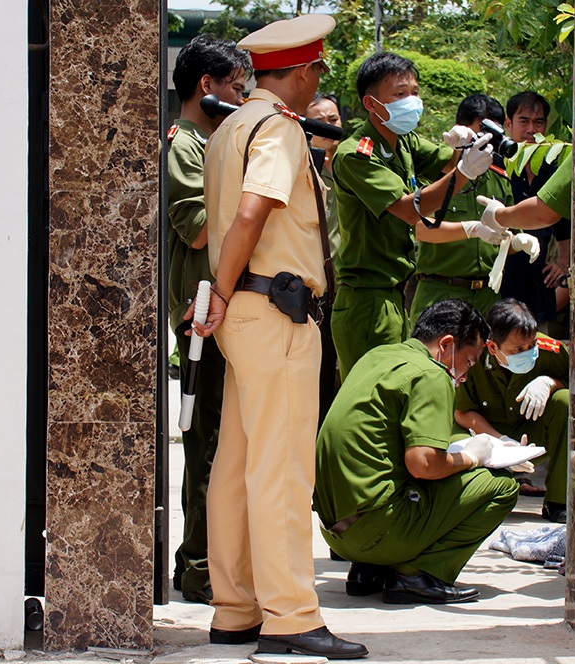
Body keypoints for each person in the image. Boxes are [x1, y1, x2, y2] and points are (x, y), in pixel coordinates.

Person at [192, 14, 366, 659]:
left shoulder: (229, 124)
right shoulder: (279, 130)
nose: (317, 79)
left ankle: (236, 608)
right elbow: (250, 212)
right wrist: (226, 290)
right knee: (282, 471)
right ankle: (291, 617)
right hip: (275, 311)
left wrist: (219, 293)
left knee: (236, 465)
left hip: (245, 311)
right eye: (316, 70)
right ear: (300, 73)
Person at [314, 299, 521, 604]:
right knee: (501, 486)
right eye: (470, 361)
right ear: (447, 345)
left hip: (337, 535)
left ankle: (370, 570)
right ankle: (416, 575)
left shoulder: (379, 356)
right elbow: (423, 464)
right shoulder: (431, 373)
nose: (465, 375)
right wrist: (474, 456)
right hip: (376, 534)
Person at [330, 52, 510, 380]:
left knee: (397, 391)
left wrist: (465, 147)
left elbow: (446, 161)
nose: (411, 101)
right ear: (371, 104)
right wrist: (464, 174)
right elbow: (406, 208)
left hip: (396, 295)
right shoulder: (356, 154)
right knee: (373, 398)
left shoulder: (403, 141)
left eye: (414, 92)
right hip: (367, 299)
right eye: (399, 94)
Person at [166, 33, 250, 605]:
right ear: (207, 86)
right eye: (236, 89)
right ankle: (198, 566)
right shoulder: (188, 146)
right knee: (208, 443)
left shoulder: (217, 143)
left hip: (226, 309)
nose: (243, 100)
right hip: (201, 313)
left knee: (229, 442)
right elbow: (198, 228)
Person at [409, 94, 538, 326]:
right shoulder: (435, 173)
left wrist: (516, 242)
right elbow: (418, 228)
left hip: (486, 297)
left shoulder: (499, 178)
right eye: (484, 133)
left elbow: (502, 238)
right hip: (442, 291)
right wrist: (470, 229)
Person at [454, 299, 570, 523]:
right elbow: (462, 412)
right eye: (517, 349)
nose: (527, 352)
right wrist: (501, 441)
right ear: (492, 347)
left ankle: (558, 501)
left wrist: (549, 383)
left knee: (564, 401)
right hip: (486, 439)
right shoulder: (473, 358)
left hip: (532, 438)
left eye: (531, 345)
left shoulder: (550, 350)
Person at [500, 92, 571, 336]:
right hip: (500, 276)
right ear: (508, 124)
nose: (532, 129)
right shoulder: (495, 163)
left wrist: (563, 261)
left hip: (538, 283)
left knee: (537, 351)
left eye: (538, 122)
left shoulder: (555, 163)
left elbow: (565, 221)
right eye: (524, 121)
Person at [306, 92, 344, 426]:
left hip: (348, 288)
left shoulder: (352, 170)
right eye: (319, 119)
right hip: (315, 292)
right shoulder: (302, 170)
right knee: (316, 378)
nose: (328, 126)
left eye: (333, 119)